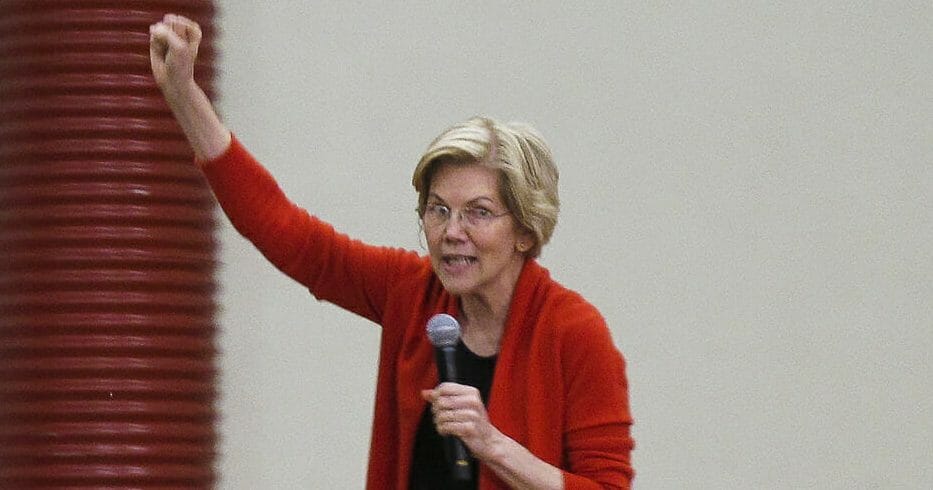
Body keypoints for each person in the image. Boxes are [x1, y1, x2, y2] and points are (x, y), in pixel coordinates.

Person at [149, 13, 634, 490]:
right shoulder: (412, 293)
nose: (451, 231)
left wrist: (493, 445)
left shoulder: (575, 334)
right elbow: (286, 233)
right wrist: (185, 97)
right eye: (438, 210)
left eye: (479, 213)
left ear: (525, 231)